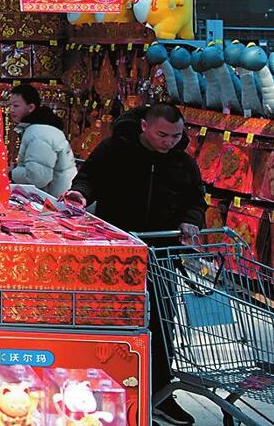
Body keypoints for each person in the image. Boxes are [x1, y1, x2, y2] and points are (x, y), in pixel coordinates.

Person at [62, 103, 204, 426]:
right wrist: (79, 194)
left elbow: (196, 201)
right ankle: (101, 388)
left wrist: (191, 220)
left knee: (161, 327)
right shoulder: (115, 150)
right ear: (144, 126)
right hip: (115, 253)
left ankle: (161, 395)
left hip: (161, 257)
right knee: (109, 320)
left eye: (176, 136)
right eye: (162, 134)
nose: (169, 142)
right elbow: (89, 178)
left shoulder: (183, 162)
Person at [6, 83, 76, 198]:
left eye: (16, 105)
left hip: (56, 199)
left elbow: (37, 177)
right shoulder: (41, 128)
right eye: (10, 105)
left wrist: (11, 174)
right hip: (59, 195)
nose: (11, 110)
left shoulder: (38, 132)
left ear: (31, 107)